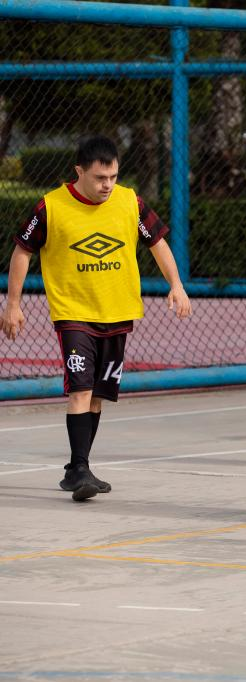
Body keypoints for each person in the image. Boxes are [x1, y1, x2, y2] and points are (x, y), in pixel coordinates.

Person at [1, 135, 191, 502]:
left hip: (118, 311)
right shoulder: (51, 207)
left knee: (99, 396)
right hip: (73, 313)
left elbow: (157, 243)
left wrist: (177, 286)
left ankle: (80, 467)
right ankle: (79, 469)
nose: (108, 185)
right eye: (100, 178)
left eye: (113, 177)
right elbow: (23, 251)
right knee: (81, 388)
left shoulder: (130, 201)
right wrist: (13, 303)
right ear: (79, 172)